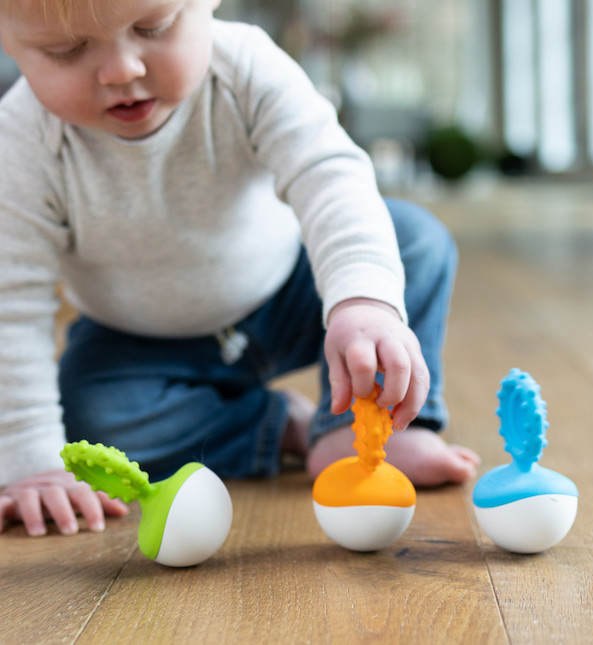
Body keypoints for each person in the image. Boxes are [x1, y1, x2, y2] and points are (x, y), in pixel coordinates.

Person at [0, 0, 480, 538]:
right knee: (93, 420)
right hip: (139, 341)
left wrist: (362, 302)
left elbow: (330, 177)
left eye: (152, 27)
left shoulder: (247, 67)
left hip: (288, 295)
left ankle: (366, 427)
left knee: (411, 238)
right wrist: (30, 462)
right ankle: (282, 429)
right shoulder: (19, 144)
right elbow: (9, 304)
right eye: (66, 51)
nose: (122, 70)